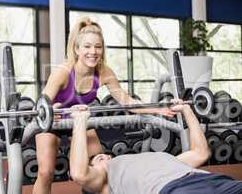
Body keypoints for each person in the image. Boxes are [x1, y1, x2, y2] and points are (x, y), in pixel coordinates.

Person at [33, 17, 177, 194]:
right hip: (52, 122)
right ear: (77, 49)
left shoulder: (104, 72)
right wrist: (52, 110)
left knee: (98, 168)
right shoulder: (62, 72)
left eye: (98, 47)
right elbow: (42, 104)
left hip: (80, 121)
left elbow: (126, 101)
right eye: (87, 46)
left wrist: (157, 108)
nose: (93, 52)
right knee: (45, 172)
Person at [69, 101, 242, 194]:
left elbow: (201, 153)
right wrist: (79, 121)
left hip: (214, 181)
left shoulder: (157, 159)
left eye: (105, 155)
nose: (106, 156)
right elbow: (79, 173)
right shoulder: (107, 182)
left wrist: (187, 111)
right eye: (98, 159)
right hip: (176, 189)